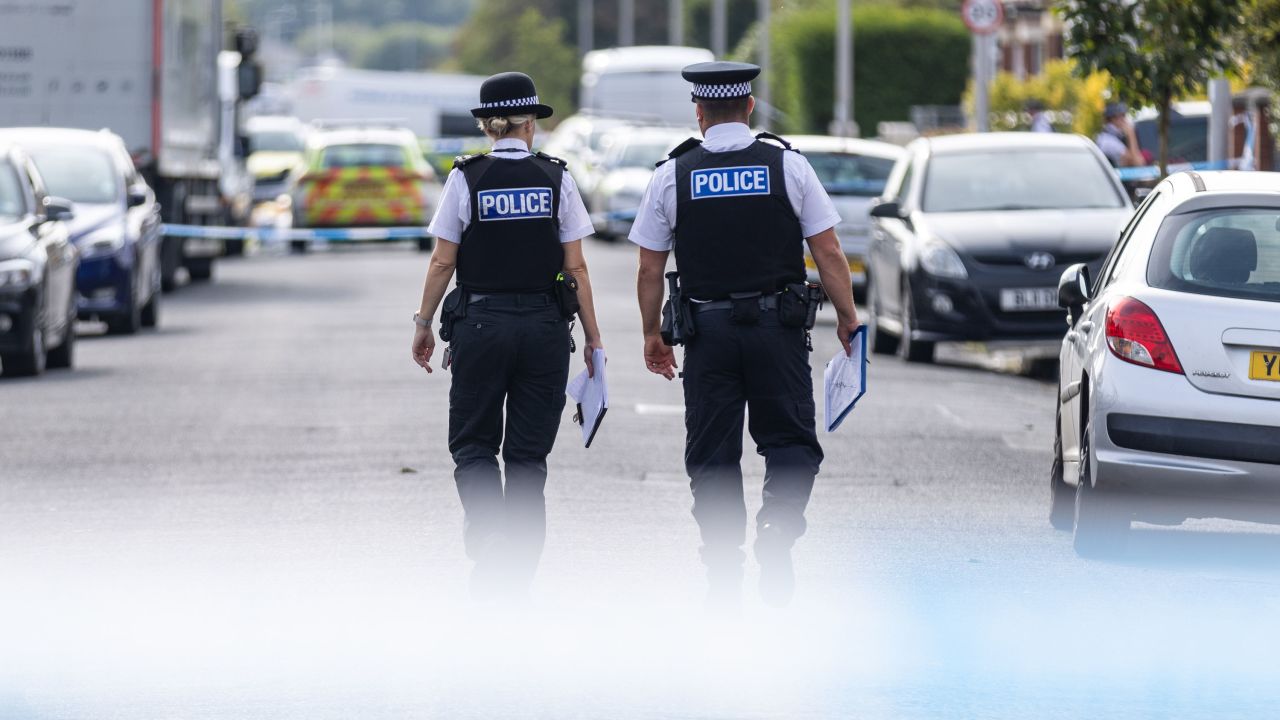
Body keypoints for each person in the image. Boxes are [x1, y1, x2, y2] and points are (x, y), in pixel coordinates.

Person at [629, 61, 858, 609]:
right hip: (777, 332)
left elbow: (647, 269)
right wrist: (848, 319)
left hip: (706, 333)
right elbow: (826, 251)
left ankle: (723, 562)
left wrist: (652, 336)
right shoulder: (787, 165)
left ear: (700, 113)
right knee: (791, 444)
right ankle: (777, 536)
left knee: (712, 454)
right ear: (749, 107)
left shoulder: (672, 174)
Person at [411, 71, 603, 603]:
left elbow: (443, 260)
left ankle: (489, 533)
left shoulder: (465, 179)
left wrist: (424, 323)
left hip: (480, 327)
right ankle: (517, 569)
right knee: (526, 457)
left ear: (488, 126)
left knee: (473, 444)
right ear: (529, 126)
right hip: (544, 330)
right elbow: (578, 270)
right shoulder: (557, 178)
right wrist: (593, 339)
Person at [1095, 102, 1144, 167]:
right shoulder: (1107, 141)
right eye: (1122, 116)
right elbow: (1138, 162)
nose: (1125, 120)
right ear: (1112, 119)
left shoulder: (1109, 137)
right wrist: (1131, 134)